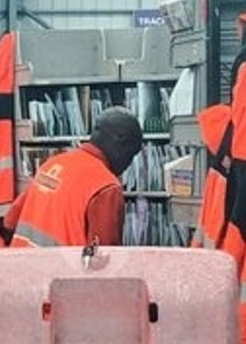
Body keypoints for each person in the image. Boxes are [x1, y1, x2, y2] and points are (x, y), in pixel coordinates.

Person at [8, 107, 144, 250]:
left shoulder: (52, 164)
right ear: (121, 142)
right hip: (61, 270)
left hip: (21, 267)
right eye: (132, 154)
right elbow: (104, 260)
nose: (128, 164)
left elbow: (10, 221)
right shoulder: (106, 187)